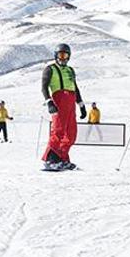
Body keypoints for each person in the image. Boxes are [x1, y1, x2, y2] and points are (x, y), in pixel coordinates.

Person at [41, 43, 86, 171]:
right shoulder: (50, 69)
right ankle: (50, 159)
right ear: (56, 56)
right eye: (60, 55)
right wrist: (49, 102)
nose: (63, 58)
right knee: (58, 131)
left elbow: (75, 87)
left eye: (65, 55)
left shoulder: (70, 70)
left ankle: (62, 158)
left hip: (71, 102)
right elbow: (44, 87)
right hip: (59, 101)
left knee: (71, 134)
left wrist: (81, 104)